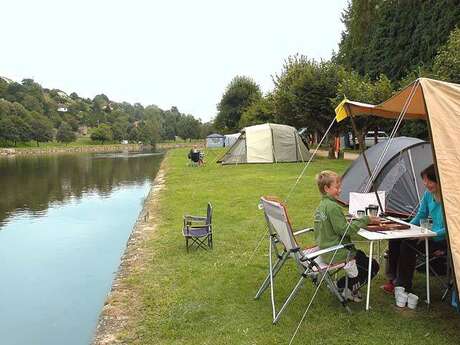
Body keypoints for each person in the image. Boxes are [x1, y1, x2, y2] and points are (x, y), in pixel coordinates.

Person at [314, 170, 380, 302]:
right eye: (337, 187)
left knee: (361, 256)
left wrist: (352, 221)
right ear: (327, 188)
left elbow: (334, 226)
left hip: (325, 250)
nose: (340, 190)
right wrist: (366, 219)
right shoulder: (333, 207)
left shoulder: (322, 205)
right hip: (336, 252)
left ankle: (341, 285)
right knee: (373, 265)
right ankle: (348, 289)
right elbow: (345, 231)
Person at [383, 164, 446, 293]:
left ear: (439, 179)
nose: (426, 184)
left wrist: (430, 234)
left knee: (408, 244)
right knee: (396, 238)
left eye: (429, 180)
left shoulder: (450, 198)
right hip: (429, 233)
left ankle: (403, 285)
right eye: (424, 180)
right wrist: (408, 228)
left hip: (443, 239)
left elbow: (451, 229)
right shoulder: (428, 195)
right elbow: (421, 215)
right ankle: (393, 279)